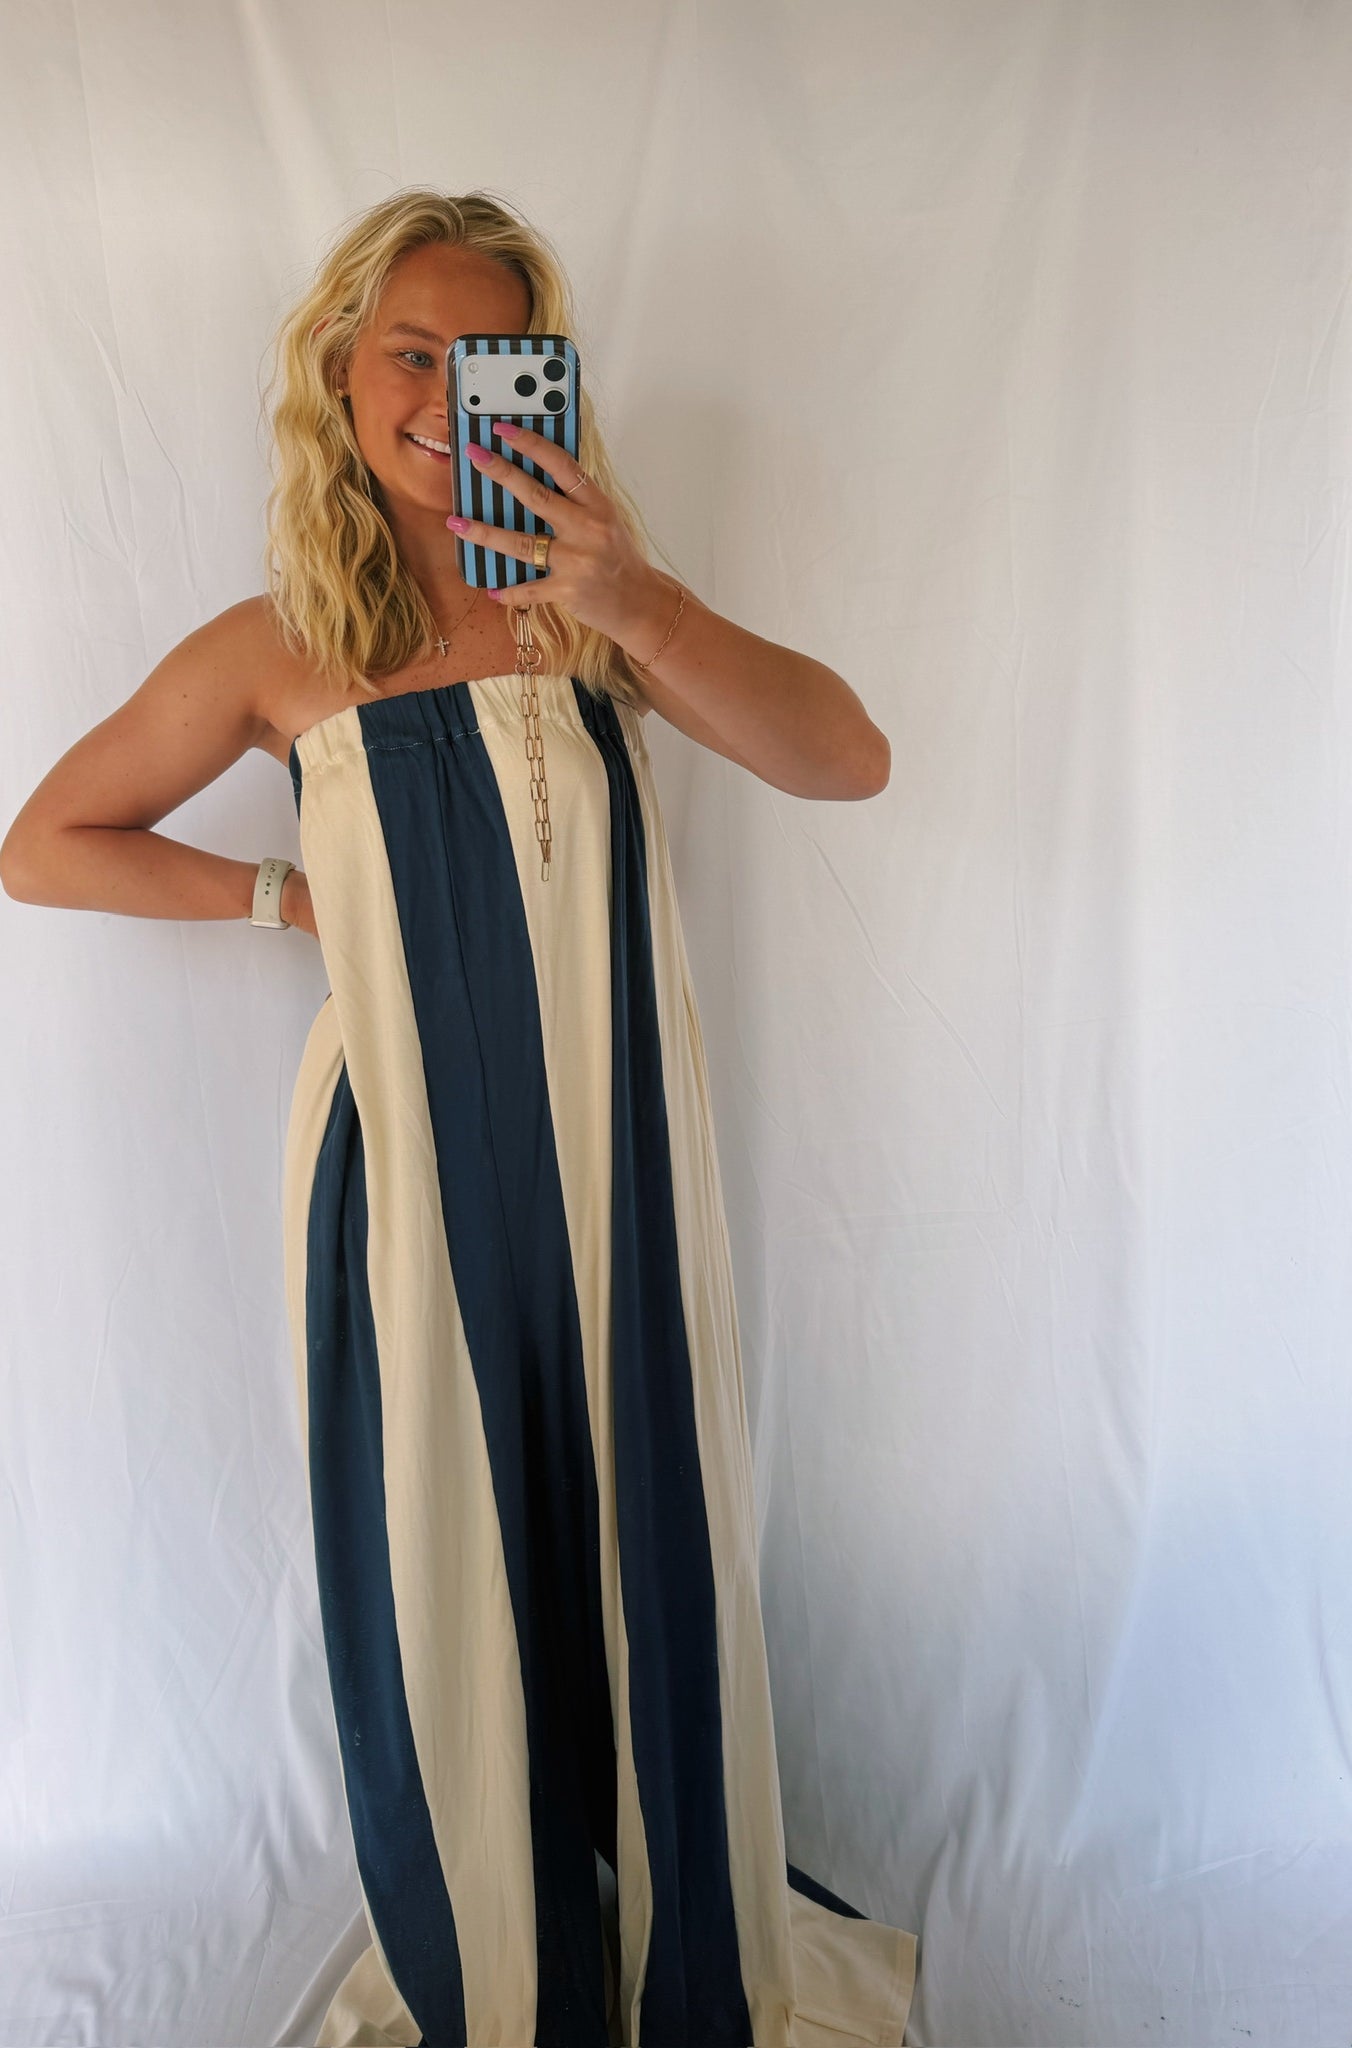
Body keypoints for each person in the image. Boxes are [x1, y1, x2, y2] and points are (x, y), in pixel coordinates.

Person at [0, 185, 917, 2048]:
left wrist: (634, 599)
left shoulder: (594, 612)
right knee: (448, 1549)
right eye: (407, 353)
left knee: (641, 1523)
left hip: (618, 1148)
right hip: (404, 1166)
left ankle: (682, 1942)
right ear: (341, 379)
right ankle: (512, 1963)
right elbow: (44, 843)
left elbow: (850, 757)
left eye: (488, 356)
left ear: (542, 388)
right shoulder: (275, 647)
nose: (441, 394)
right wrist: (284, 900)